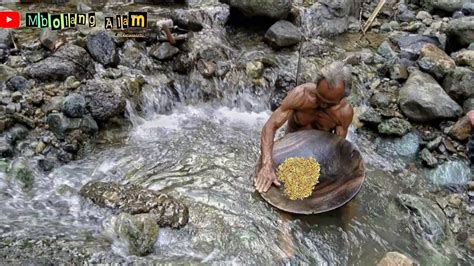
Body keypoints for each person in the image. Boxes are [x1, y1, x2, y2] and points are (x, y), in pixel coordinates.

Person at [255, 61, 354, 193]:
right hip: (289, 152)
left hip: (317, 158)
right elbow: (270, 126)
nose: (323, 106)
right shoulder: (300, 95)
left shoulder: (344, 113)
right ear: (316, 85)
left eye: (330, 104)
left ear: (342, 97)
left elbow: (336, 148)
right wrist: (267, 165)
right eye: (319, 98)